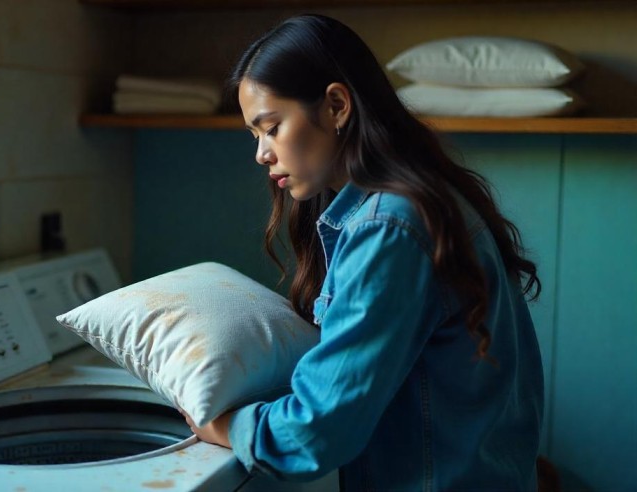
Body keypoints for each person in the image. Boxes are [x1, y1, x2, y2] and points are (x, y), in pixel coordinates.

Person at [181, 14, 546, 491]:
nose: (261, 154)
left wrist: (222, 426)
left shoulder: (388, 227)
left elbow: (316, 433)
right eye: (255, 135)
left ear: (336, 105)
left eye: (271, 128)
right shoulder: (422, 200)